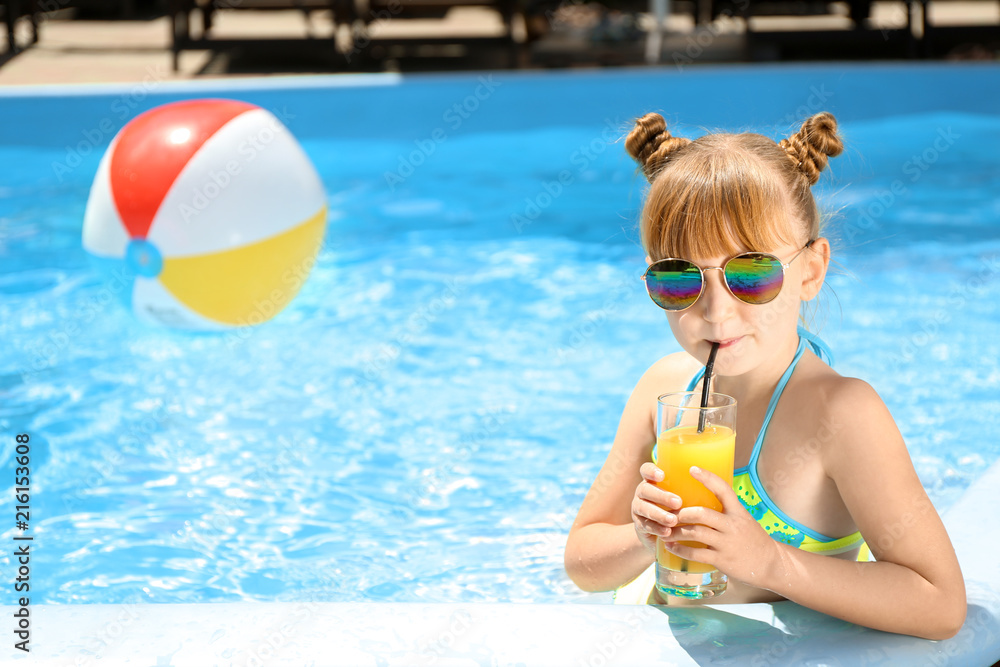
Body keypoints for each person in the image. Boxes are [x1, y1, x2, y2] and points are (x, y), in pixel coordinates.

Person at [563, 111, 966, 640]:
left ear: (811, 271)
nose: (715, 312)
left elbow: (939, 603)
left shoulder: (842, 415)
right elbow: (582, 561)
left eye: (751, 273)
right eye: (679, 278)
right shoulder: (663, 387)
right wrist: (640, 539)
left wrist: (769, 561)